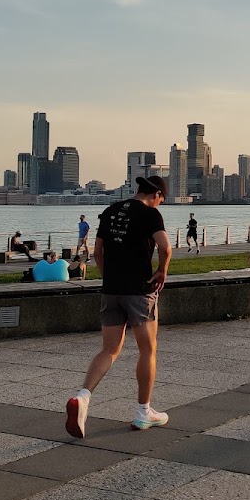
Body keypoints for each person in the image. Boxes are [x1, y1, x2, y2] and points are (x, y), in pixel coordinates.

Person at [66, 175, 172, 439]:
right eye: (162, 200)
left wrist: (107, 277)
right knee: (147, 349)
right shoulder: (150, 214)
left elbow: (98, 252)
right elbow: (165, 247)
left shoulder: (111, 210)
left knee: (109, 350)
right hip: (140, 290)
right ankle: (143, 412)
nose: (160, 204)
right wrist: (162, 271)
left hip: (111, 289)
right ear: (156, 195)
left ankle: (83, 396)